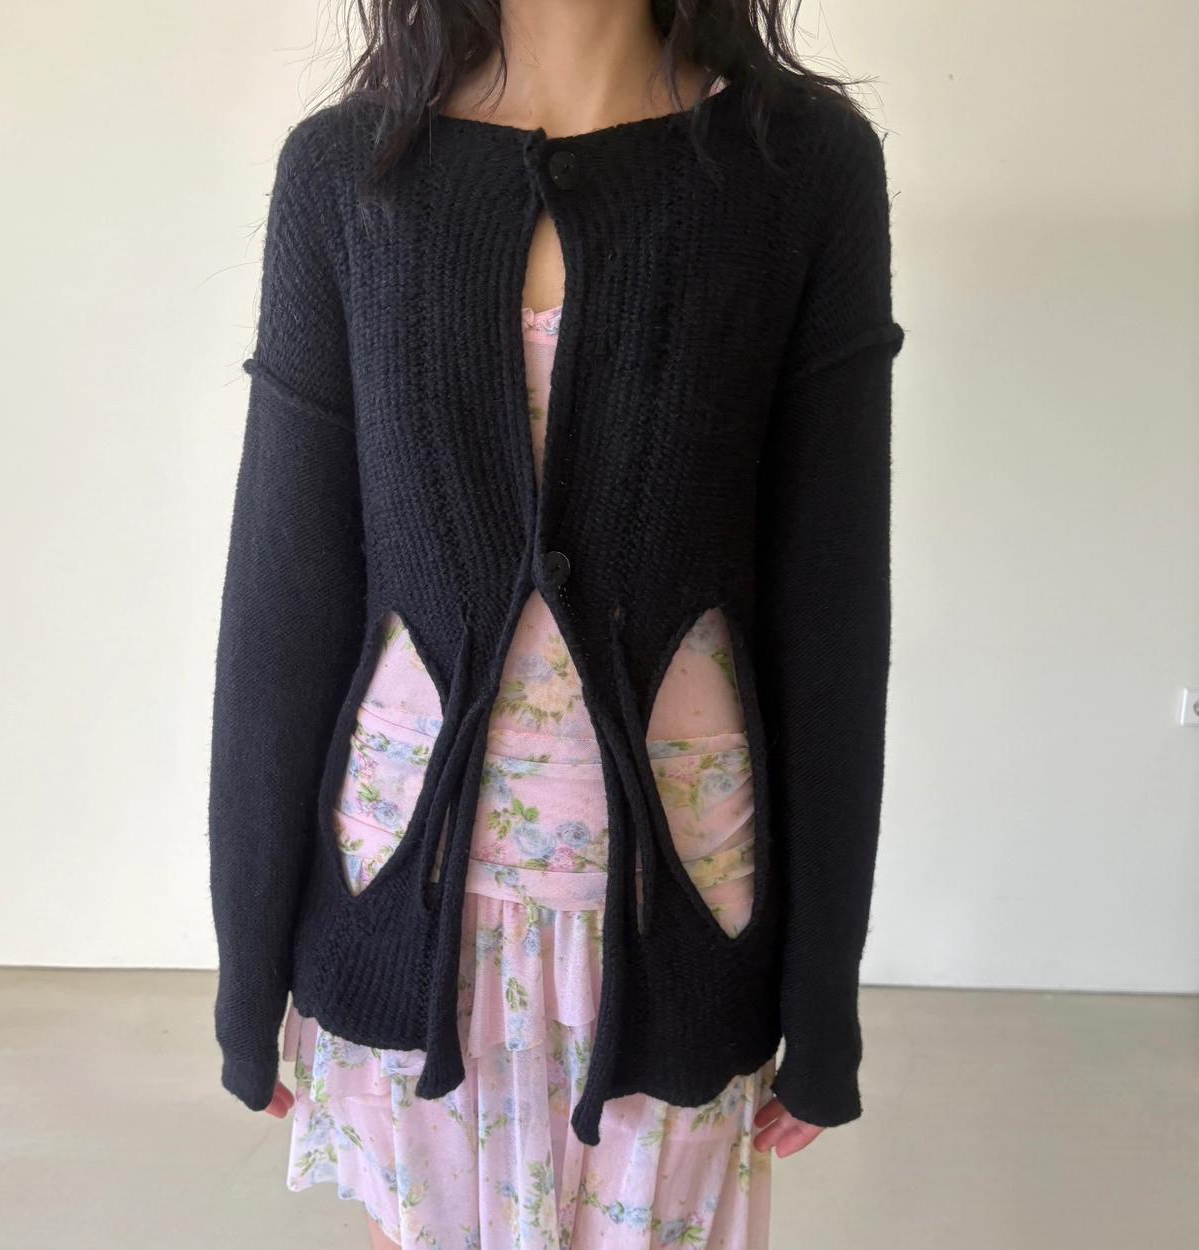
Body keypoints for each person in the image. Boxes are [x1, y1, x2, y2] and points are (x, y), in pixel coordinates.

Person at [207, 2, 904, 1247]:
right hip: (402, 892)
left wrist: (822, 1000)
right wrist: (247, 966)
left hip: (678, 905)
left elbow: (831, 607)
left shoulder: (798, 165)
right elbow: (282, 594)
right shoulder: (347, 171)